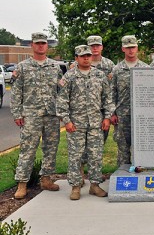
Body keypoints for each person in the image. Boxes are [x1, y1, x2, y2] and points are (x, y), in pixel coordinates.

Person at [56, 45, 115, 200]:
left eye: (88, 55)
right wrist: (67, 121)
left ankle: (95, 185)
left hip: (96, 123)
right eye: (82, 56)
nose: (86, 58)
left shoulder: (99, 75)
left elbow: (108, 98)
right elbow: (62, 101)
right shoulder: (69, 77)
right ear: (76, 58)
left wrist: (107, 117)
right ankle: (76, 187)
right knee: (75, 156)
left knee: (96, 155)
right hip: (76, 124)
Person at [11, 32, 63, 199]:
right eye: (37, 43)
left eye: (43, 43)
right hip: (31, 115)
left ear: (47, 46)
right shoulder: (23, 67)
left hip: (51, 115)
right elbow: (16, 93)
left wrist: (62, 111)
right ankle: (22, 183)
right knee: (28, 149)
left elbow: (61, 91)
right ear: (32, 45)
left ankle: (46, 179)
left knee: (51, 148)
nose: (41, 46)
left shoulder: (55, 66)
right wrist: (17, 113)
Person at [78, 35, 116, 183]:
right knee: (81, 145)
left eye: (97, 45)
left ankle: (95, 176)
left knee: (98, 144)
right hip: (82, 113)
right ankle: (80, 172)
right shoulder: (78, 65)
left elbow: (111, 90)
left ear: (101, 47)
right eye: (91, 46)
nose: (94, 48)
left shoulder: (109, 64)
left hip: (101, 112)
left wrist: (110, 113)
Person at [111, 35, 149, 165]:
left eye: (133, 47)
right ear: (123, 49)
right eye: (128, 48)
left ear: (137, 48)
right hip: (122, 115)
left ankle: (141, 178)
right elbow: (112, 92)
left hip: (142, 115)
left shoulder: (145, 69)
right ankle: (123, 178)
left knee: (142, 148)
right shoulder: (117, 69)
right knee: (123, 149)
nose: (130, 50)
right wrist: (112, 113)